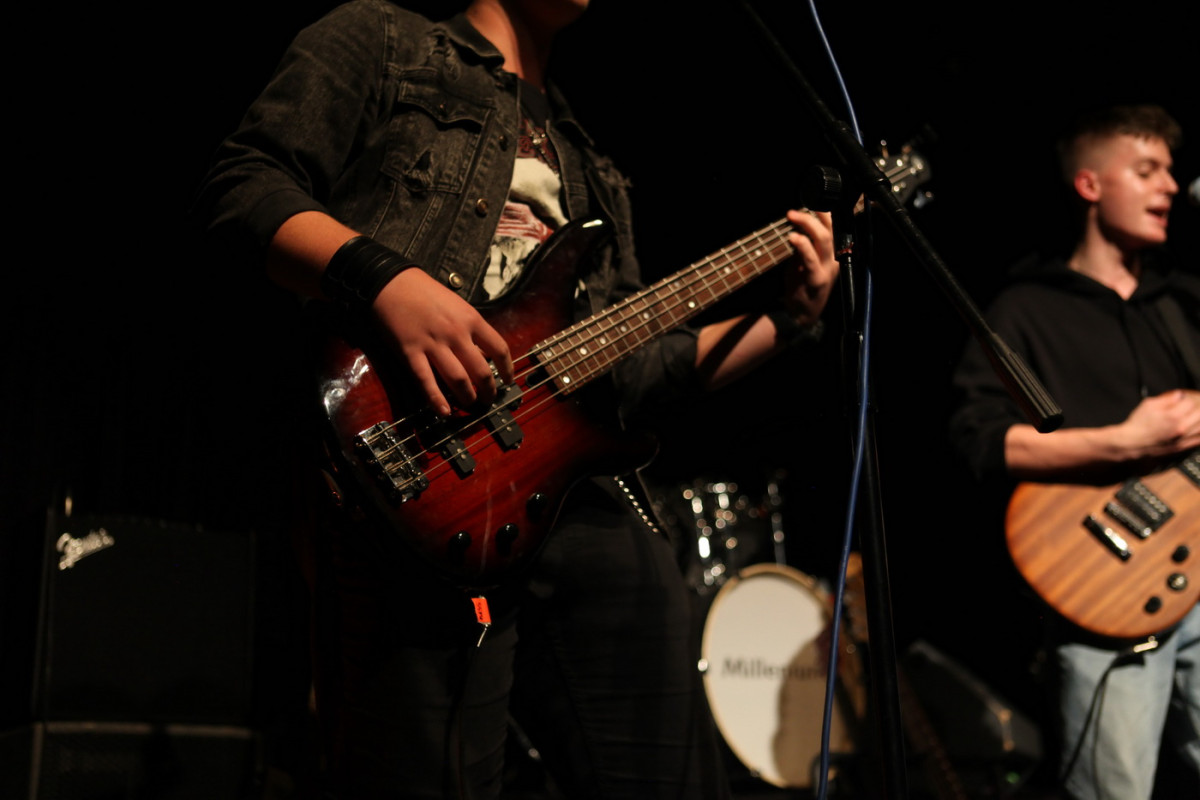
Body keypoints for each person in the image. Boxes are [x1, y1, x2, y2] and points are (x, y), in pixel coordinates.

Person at [193, 0, 840, 797]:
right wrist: (387, 283)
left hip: (575, 489)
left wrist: (788, 322)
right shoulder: (385, 41)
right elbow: (244, 184)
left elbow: (631, 373)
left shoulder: (592, 164)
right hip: (419, 464)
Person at [948, 103, 1200, 800]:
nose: (1170, 185)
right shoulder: (1026, 308)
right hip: (1106, 582)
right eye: (1146, 170)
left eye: (1171, 171)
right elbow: (978, 439)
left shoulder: (1185, 302)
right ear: (1090, 184)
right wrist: (1125, 441)